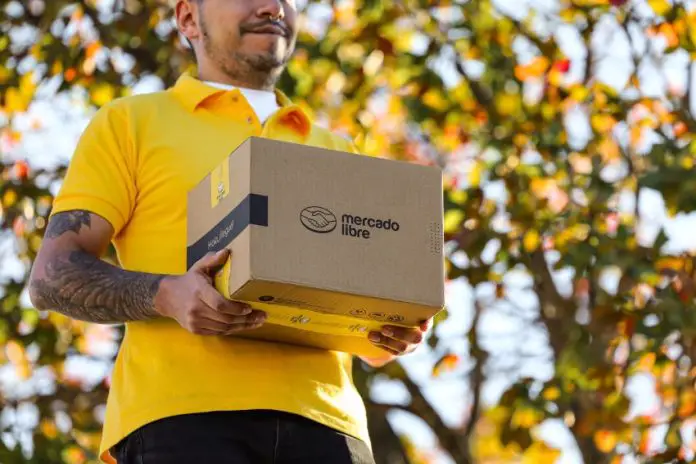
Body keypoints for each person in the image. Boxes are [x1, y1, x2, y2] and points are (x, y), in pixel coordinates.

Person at [27, 0, 432, 463]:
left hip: (331, 429)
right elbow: (51, 275)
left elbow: (370, 338)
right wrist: (166, 295)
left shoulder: (339, 150)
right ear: (187, 18)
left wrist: (392, 325)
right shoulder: (129, 124)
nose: (273, 6)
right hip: (182, 420)